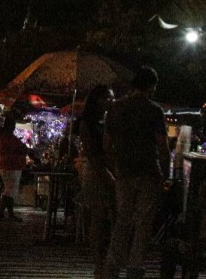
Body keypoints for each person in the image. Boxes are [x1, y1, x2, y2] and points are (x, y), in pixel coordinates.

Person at [103, 66, 169, 279]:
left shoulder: (115, 108)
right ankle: (135, 266)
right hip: (148, 171)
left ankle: (113, 264)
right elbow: (162, 146)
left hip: (123, 170)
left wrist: (114, 165)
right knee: (143, 221)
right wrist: (166, 172)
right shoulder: (154, 110)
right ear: (152, 86)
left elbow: (107, 143)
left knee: (122, 219)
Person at [79, 84, 116, 279]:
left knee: (108, 216)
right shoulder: (88, 122)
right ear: (97, 100)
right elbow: (92, 153)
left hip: (109, 170)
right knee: (98, 216)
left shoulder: (109, 120)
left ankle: (106, 261)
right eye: (108, 98)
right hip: (95, 171)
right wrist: (105, 173)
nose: (111, 101)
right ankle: (99, 262)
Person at [0, 114, 28, 221]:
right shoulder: (6, 137)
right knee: (9, 190)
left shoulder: (4, 136)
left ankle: (8, 213)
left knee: (10, 190)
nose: (14, 127)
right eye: (13, 124)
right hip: (11, 165)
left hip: (9, 165)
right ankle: (2, 213)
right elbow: (14, 149)